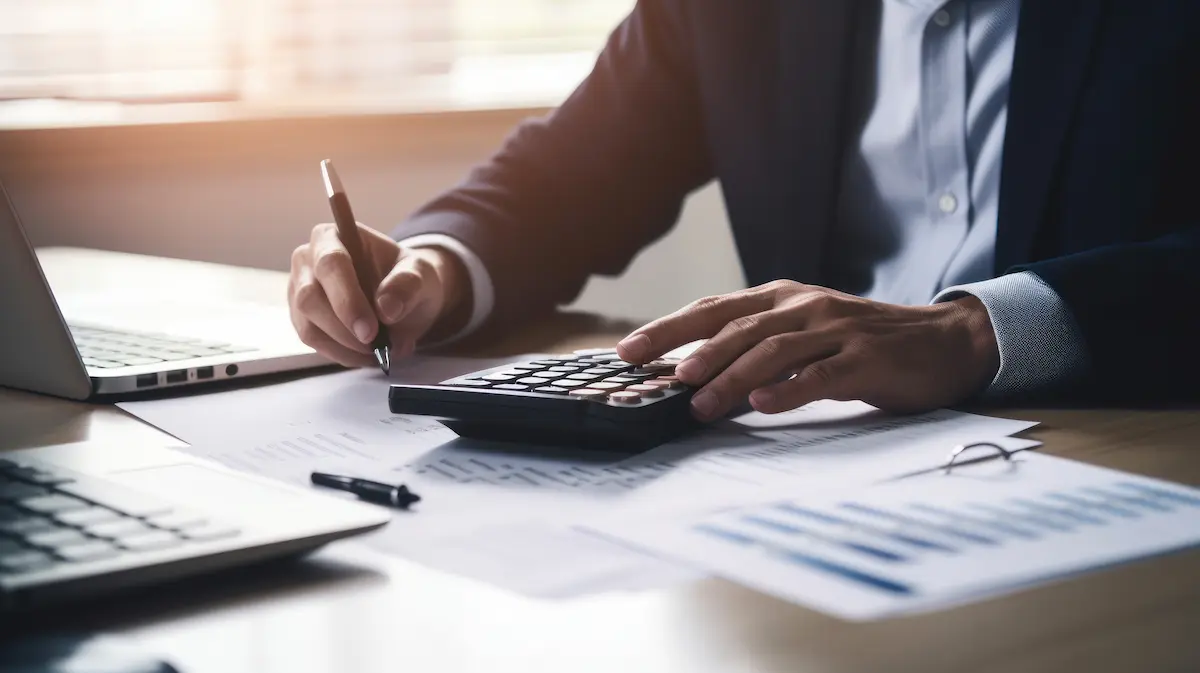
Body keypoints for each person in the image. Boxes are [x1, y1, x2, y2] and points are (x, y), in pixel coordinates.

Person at [288, 0, 1200, 421]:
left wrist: (976, 335)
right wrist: (430, 269)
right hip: (804, 476)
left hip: (1122, 454)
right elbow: (563, 180)